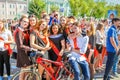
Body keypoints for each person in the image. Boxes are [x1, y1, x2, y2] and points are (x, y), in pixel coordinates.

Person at [14, 16, 33, 80]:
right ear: (20, 22)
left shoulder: (23, 30)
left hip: (24, 52)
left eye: (27, 22)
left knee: (23, 70)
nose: (26, 23)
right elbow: (20, 45)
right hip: (22, 53)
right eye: (24, 21)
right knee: (26, 70)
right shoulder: (19, 31)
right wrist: (30, 48)